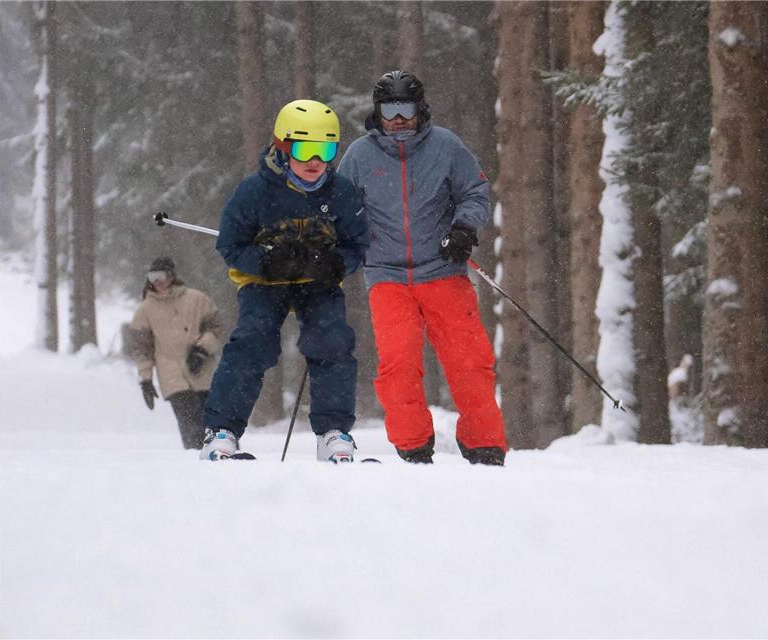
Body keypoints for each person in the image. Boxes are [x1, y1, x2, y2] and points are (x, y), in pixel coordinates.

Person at [337, 70, 507, 465]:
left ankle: (484, 446)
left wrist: (463, 228)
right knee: (398, 365)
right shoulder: (360, 155)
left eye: (406, 109)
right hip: (387, 276)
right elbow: (340, 207)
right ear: (377, 112)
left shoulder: (446, 146)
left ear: (420, 109)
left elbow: (475, 192)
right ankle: (413, 447)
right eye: (389, 109)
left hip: (443, 270)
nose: (398, 119)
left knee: (470, 363)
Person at [199, 99, 369, 462]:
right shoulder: (254, 192)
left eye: (325, 151)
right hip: (264, 284)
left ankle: (333, 433)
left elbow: (357, 245)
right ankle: (222, 431)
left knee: (332, 340)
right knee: (253, 341)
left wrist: (336, 263)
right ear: (282, 147)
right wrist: (265, 262)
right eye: (305, 149)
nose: (314, 162)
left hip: (319, 284)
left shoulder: (341, 193)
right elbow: (230, 243)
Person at [126, 256, 222, 449]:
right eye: (152, 277)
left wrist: (201, 349)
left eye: (160, 276)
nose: (157, 282)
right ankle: (196, 463)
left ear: (171, 276)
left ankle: (225, 459)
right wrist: (145, 379)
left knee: (215, 423)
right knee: (190, 425)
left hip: (203, 373)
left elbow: (216, 328)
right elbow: (142, 349)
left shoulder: (197, 299)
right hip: (172, 377)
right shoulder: (145, 310)